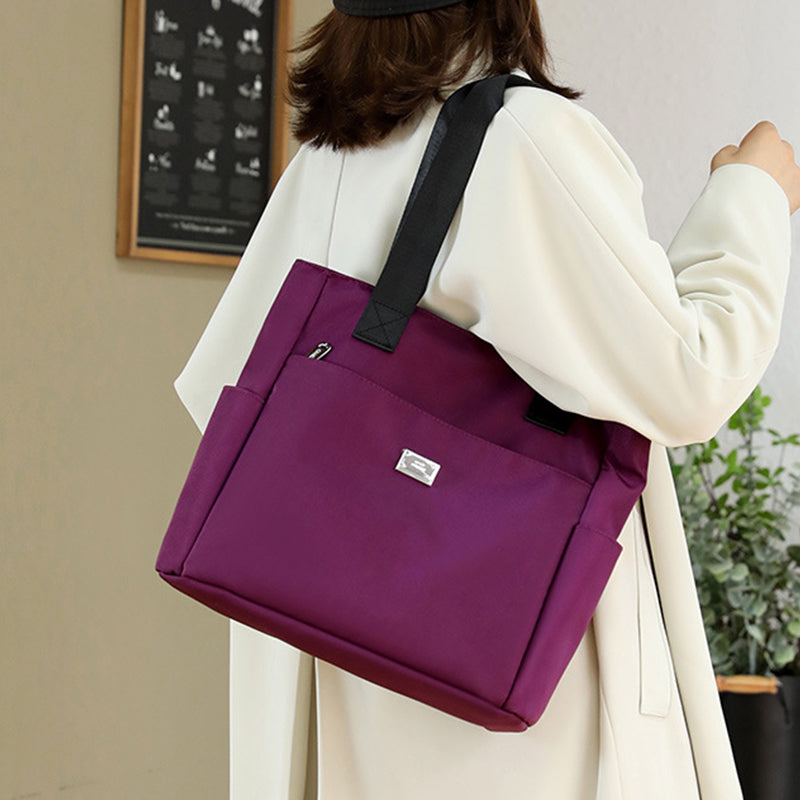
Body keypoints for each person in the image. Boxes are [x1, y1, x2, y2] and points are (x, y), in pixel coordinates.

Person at [172, 0, 799, 797]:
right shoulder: (520, 138)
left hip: (342, 669)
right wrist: (751, 195)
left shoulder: (328, 156)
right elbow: (688, 377)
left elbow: (231, 403)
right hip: (496, 697)